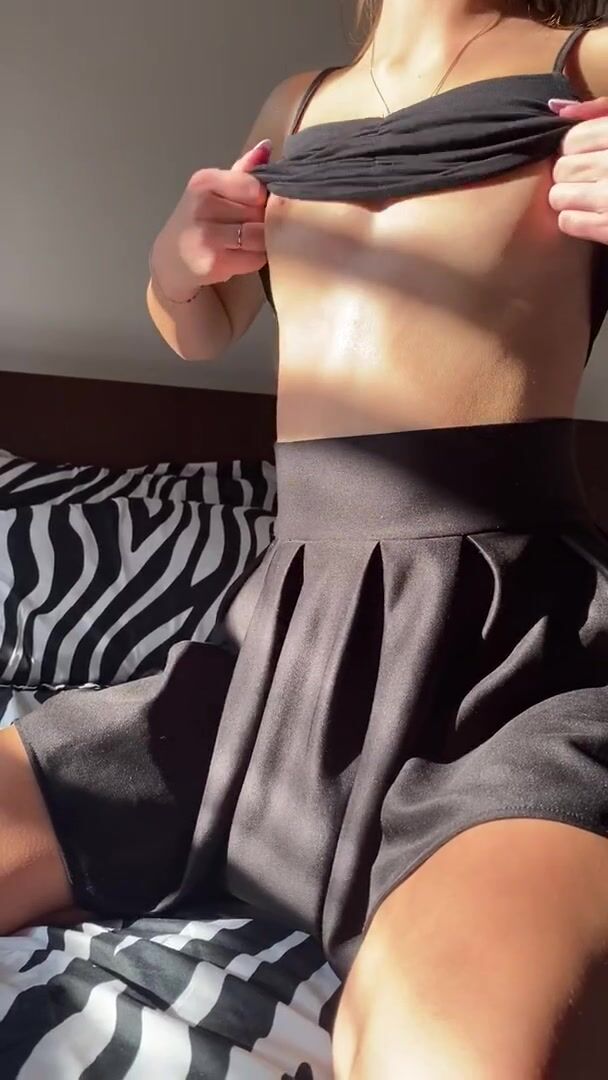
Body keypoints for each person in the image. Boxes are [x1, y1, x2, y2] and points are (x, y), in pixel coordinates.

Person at [3, 1, 608, 1074]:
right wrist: (177, 262)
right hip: (273, 655)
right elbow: (199, 329)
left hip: (509, 660)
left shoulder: (589, 62)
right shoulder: (296, 104)